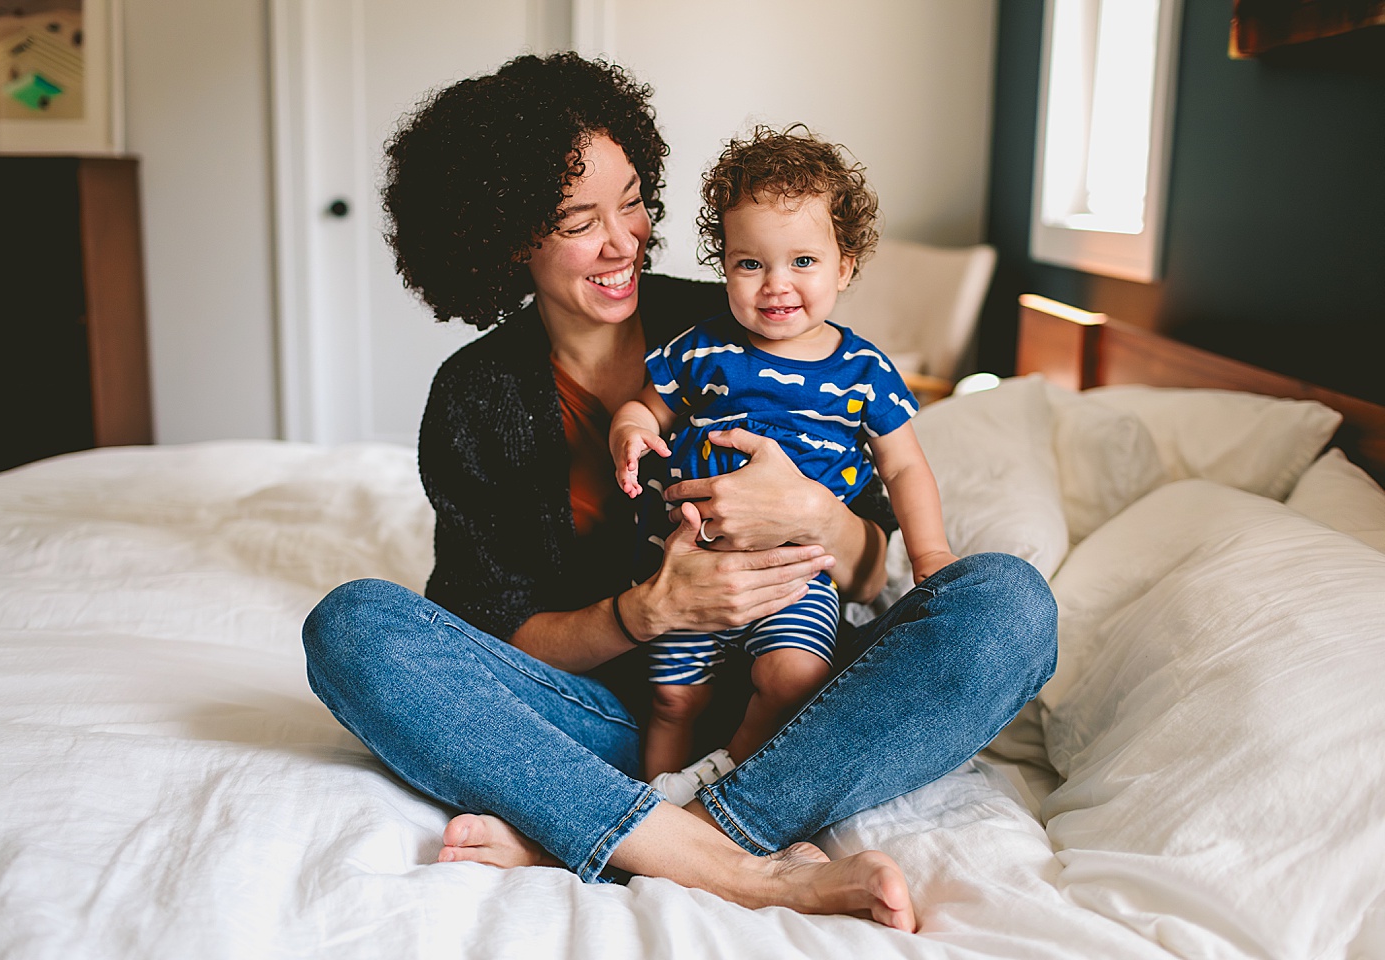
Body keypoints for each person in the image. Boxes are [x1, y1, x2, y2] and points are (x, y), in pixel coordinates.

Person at [301, 52, 1056, 934]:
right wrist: (647, 612)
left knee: (1010, 606)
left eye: (632, 202)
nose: (624, 240)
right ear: (510, 238)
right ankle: (745, 868)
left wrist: (817, 518)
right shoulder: (476, 397)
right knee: (352, 629)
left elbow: (875, 566)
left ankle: (655, 840)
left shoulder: (737, 315)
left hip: (806, 702)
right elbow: (494, 634)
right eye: (580, 220)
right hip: (620, 719)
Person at [611, 127, 957, 798]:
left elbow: (905, 467)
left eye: (803, 261)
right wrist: (628, 432)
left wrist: (932, 555)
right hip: (693, 567)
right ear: (726, 265)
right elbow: (645, 407)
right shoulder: (705, 348)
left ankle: (722, 782)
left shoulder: (863, 371)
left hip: (795, 572)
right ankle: (654, 801)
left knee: (793, 682)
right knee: (673, 700)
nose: (776, 285)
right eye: (750, 264)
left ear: (844, 266)